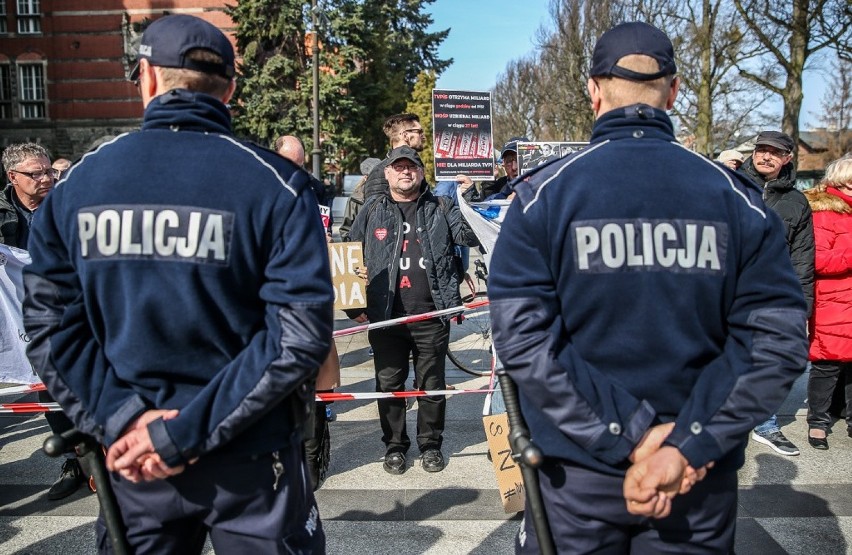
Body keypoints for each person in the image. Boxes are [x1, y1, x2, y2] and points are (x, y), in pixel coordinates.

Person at [489, 22, 808, 553]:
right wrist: (681, 445)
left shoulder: (540, 197)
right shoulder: (740, 199)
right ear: (675, 90)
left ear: (592, 89)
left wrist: (634, 435)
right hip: (694, 473)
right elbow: (774, 342)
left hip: (578, 474)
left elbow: (522, 340)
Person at [22, 14, 331, 553]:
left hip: (133, 456)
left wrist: (126, 420)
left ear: (145, 78)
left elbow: (49, 327)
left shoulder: (78, 186)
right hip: (250, 459)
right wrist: (180, 433)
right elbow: (297, 336)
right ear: (230, 88)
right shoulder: (277, 184)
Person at [347, 146, 478, 475]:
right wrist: (354, 306)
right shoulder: (373, 208)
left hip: (431, 313)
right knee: (389, 383)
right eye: (399, 167)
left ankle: (431, 444)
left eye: (412, 167)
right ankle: (394, 445)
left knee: (432, 384)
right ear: (388, 173)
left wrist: (468, 196)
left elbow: (470, 235)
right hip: (387, 315)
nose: (406, 172)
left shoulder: (442, 206)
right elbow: (346, 250)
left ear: (421, 173)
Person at [2, 143, 86, 501]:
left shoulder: (71, 203)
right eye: (35, 174)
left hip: (76, 309)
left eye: (49, 171)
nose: (46, 178)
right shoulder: (2, 214)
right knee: (47, 387)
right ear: (13, 177)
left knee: (86, 381)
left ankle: (103, 456)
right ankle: (75, 460)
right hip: (26, 319)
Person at [740, 130, 814, 456]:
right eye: (761, 149)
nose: (766, 156)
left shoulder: (797, 202)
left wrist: (802, 307)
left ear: (787, 159)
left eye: (775, 152)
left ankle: (765, 424)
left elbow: (802, 257)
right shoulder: (729, 185)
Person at [275, 133, 340, 489]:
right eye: (291, 163)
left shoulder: (316, 195)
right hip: (273, 314)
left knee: (315, 390)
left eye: (300, 164)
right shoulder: (262, 191)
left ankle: (313, 457)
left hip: (313, 310)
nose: (296, 170)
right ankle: (283, 457)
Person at [803, 154, 852, 450]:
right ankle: (818, 423)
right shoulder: (824, 213)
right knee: (826, 365)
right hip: (833, 302)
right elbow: (818, 259)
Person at [275, 134, 334, 241]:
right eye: (290, 164)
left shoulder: (316, 187)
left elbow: (326, 222)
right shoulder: (265, 186)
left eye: (300, 165)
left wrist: (328, 235)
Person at [339, 156, 381, 240]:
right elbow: (346, 229)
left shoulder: (392, 194)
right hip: (361, 249)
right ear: (366, 177)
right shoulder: (356, 199)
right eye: (374, 175)